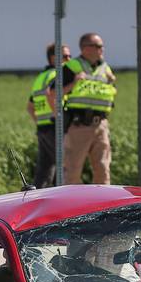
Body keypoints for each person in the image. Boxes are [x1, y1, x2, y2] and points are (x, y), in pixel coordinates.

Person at [46, 31, 117, 185]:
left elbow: (109, 94)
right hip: (79, 125)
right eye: (97, 46)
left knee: (103, 169)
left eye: (102, 46)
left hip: (101, 125)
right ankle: (71, 205)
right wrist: (74, 83)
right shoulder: (72, 67)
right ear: (85, 48)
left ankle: (103, 205)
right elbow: (52, 93)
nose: (101, 49)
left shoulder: (106, 69)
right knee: (72, 170)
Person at [26, 42, 69, 187]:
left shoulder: (41, 77)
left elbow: (30, 107)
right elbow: (51, 96)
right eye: (65, 56)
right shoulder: (58, 75)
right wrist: (60, 118)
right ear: (53, 58)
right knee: (64, 168)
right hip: (55, 127)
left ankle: (35, 201)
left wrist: (39, 121)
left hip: (43, 128)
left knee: (44, 170)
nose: (69, 60)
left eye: (70, 56)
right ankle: (63, 202)